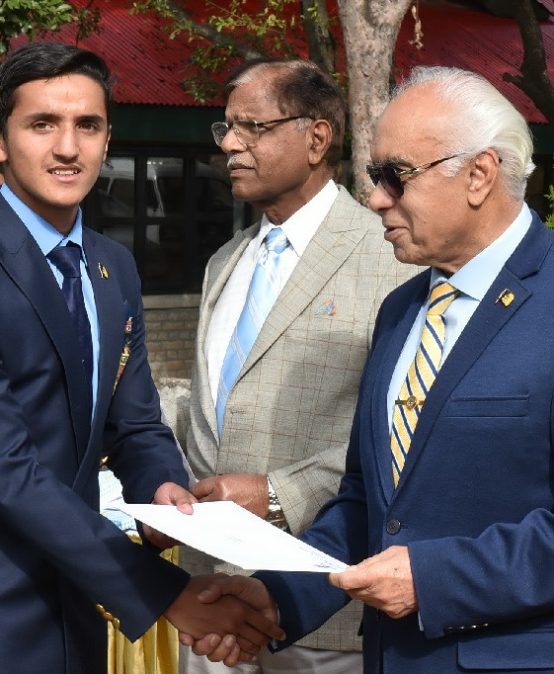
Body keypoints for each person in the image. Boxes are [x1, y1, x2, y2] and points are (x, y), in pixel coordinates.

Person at [188, 65, 554, 674]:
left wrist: (435, 578)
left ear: (479, 174)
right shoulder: (402, 310)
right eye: (374, 177)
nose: (378, 198)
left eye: (395, 176)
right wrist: (280, 596)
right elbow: (368, 501)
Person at [0, 41, 282, 674]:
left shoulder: (113, 267)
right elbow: (9, 472)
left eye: (87, 125)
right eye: (42, 124)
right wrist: (165, 594)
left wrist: (163, 494)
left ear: (107, 141)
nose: (67, 147)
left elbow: (133, 423)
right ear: (2, 141)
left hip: (76, 610)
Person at [183, 57, 417, 674]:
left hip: (326, 607)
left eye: (253, 127)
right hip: (212, 608)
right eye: (227, 128)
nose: (230, 144)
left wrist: (279, 496)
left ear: (316, 138)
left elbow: (408, 431)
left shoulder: (393, 259)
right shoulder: (224, 263)